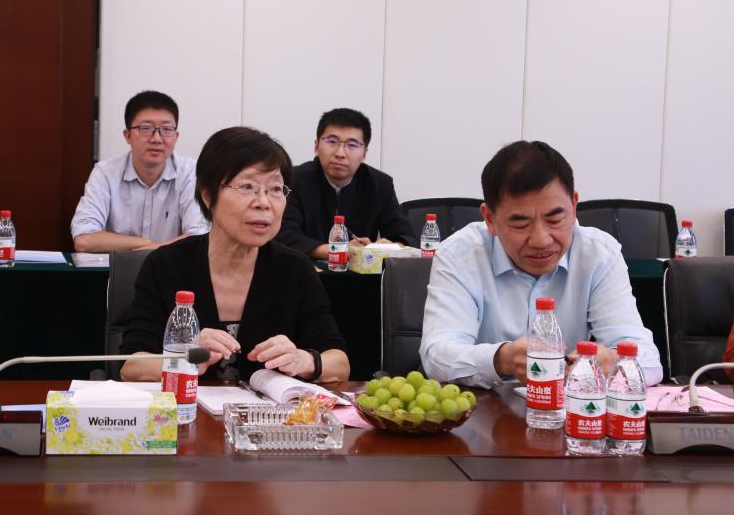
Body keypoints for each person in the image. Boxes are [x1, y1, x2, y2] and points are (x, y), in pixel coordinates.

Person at [419, 140, 663, 389]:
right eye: (520, 224)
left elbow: (649, 361)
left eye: (554, 219)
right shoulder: (459, 255)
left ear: (574, 206)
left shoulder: (599, 255)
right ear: (490, 219)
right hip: (484, 409)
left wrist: (613, 361)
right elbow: (437, 356)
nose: (541, 240)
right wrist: (502, 359)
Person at [120, 126, 350, 382]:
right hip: (188, 406)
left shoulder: (295, 269)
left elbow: (339, 363)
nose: (263, 202)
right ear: (208, 195)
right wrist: (185, 357)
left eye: (275, 189)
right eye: (247, 186)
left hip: (267, 409)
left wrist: (305, 360)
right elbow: (132, 366)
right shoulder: (166, 264)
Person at [71, 90, 209, 253]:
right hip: (119, 269)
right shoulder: (106, 173)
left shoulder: (190, 173)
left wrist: (146, 248)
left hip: (170, 269)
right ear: (128, 135)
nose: (157, 139)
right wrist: (148, 244)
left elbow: (198, 237)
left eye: (166, 129)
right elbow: (84, 239)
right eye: (146, 128)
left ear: (176, 136)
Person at [277, 108, 416, 259]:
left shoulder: (380, 185)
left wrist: (390, 247)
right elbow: (284, 236)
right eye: (332, 142)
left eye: (352, 145)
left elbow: (407, 237)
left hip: (359, 272)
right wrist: (339, 251)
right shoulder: (294, 180)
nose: (340, 153)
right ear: (316, 146)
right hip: (306, 268)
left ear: (364, 153)